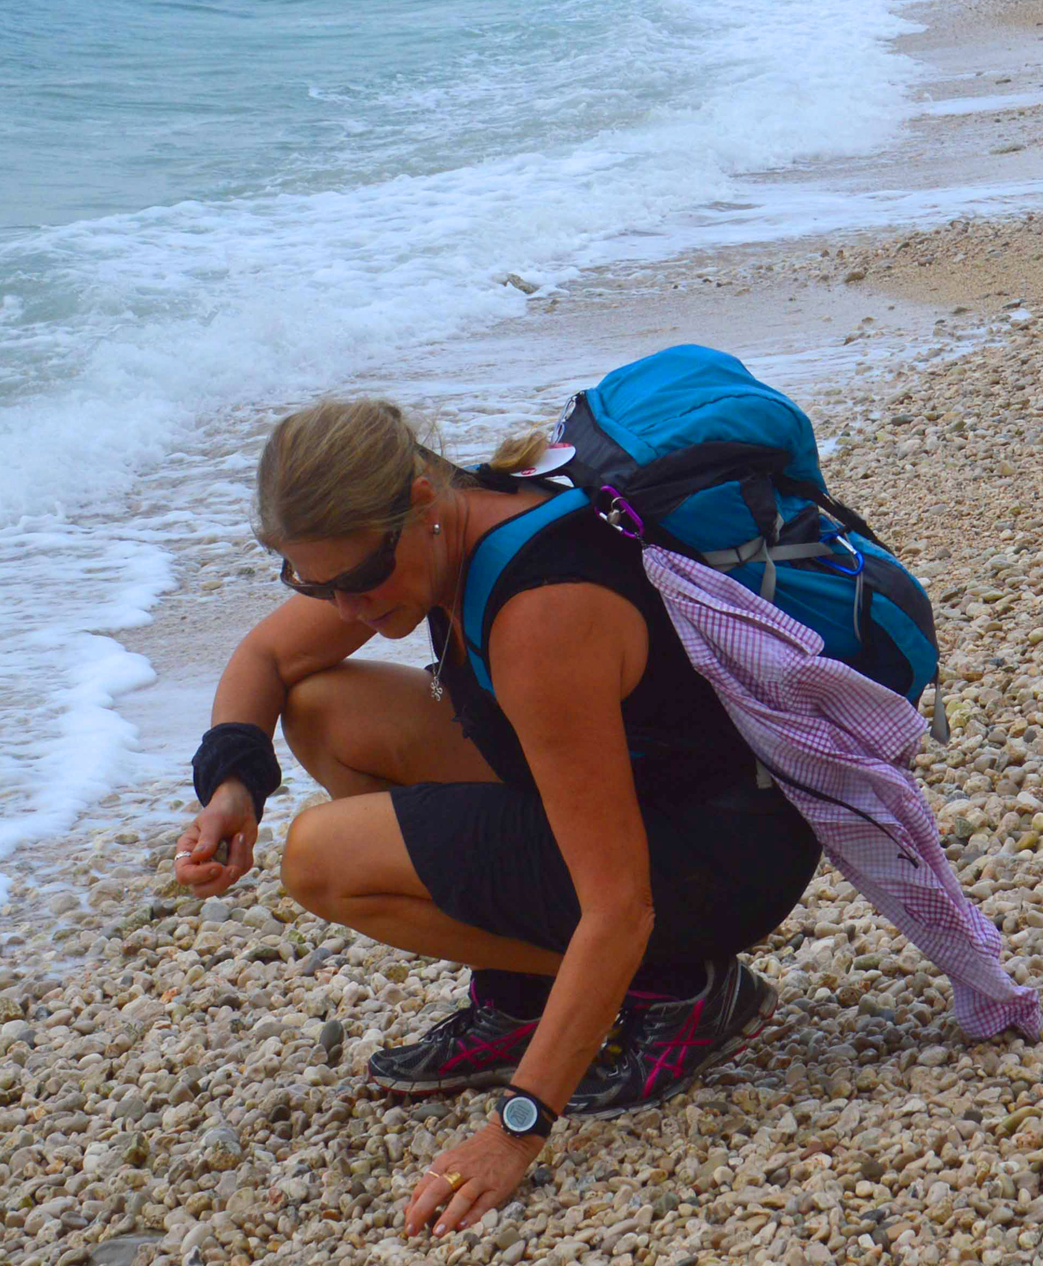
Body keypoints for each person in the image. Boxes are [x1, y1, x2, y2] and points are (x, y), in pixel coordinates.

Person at [171, 399, 823, 1237]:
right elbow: (266, 655)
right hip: (655, 788)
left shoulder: (540, 617)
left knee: (321, 859)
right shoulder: (460, 511)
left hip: (717, 857)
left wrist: (517, 1128)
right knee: (324, 707)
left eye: (358, 581)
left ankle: (678, 988)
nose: (345, 608)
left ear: (419, 501)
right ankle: (525, 998)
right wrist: (233, 786)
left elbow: (619, 907)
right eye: (312, 584)